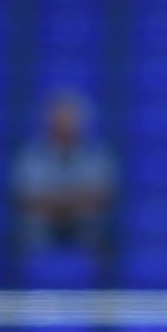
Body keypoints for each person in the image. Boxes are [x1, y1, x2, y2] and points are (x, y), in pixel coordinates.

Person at [10, 90, 118, 260]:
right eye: (59, 121)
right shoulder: (31, 154)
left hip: (82, 221)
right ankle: (34, 278)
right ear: (48, 123)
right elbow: (27, 199)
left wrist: (56, 200)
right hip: (44, 222)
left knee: (95, 229)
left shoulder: (97, 155)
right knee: (32, 230)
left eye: (70, 121)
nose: (64, 126)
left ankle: (94, 280)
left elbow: (100, 197)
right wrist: (72, 200)